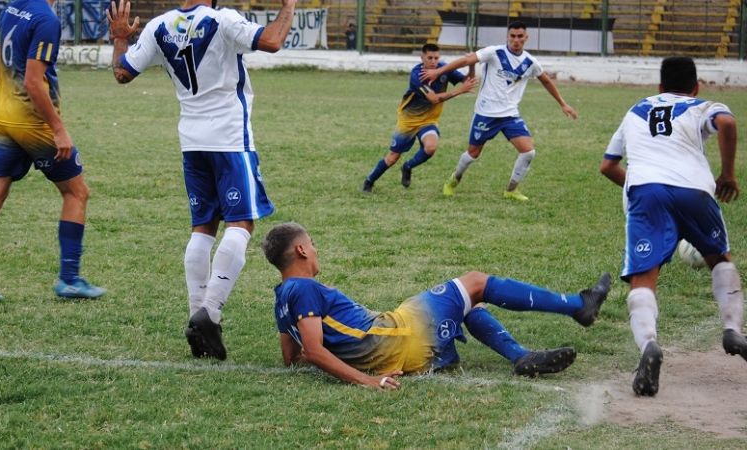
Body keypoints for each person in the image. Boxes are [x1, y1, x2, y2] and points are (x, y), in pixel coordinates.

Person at [106, 0, 297, 360]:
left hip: (192, 143)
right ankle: (209, 313)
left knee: (203, 227)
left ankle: (199, 317)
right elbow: (272, 41)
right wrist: (288, 6)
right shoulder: (222, 19)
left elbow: (122, 72)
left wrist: (119, 38)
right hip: (228, 140)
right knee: (240, 224)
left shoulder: (159, 26)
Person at [261, 222, 612, 389]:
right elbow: (314, 350)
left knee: (466, 303)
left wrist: (356, 354)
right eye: (313, 243)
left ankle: (521, 356)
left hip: (398, 346)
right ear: (302, 251)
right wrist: (367, 380)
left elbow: (292, 358)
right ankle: (578, 305)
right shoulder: (304, 288)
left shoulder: (282, 299)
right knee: (475, 282)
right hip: (400, 334)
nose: (317, 249)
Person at [600, 56, 745, 397]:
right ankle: (732, 328)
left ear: (660, 87)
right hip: (695, 189)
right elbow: (727, 122)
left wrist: (643, 188)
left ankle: (649, 345)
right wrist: (727, 174)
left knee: (643, 278)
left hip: (646, 192)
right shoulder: (702, 105)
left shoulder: (637, 108)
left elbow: (607, 166)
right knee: (720, 259)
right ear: (696, 86)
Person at [0, 0, 106, 302]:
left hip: (2, 118)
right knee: (76, 192)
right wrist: (58, 128)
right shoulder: (46, 19)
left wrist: (11, 104)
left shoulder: (10, 10)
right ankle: (70, 279)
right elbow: (33, 82)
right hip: (34, 124)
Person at [420, 21, 577, 202]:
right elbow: (466, 60)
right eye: (512, 36)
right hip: (485, 114)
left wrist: (563, 104)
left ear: (526, 38)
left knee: (528, 152)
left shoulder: (530, 62)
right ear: (507, 36)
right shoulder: (494, 52)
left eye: (520, 36)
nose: (516, 40)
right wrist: (438, 71)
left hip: (510, 115)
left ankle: (511, 190)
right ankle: (453, 180)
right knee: (473, 153)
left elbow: (546, 81)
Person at [362, 43, 477, 193]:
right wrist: (459, 91)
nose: (433, 61)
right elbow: (434, 99)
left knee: (431, 147)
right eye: (429, 58)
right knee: (392, 158)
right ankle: (369, 181)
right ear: (422, 57)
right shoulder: (417, 74)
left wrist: (472, 65)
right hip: (408, 121)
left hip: (428, 120)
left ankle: (408, 167)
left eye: (436, 58)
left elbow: (468, 81)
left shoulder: (444, 69)